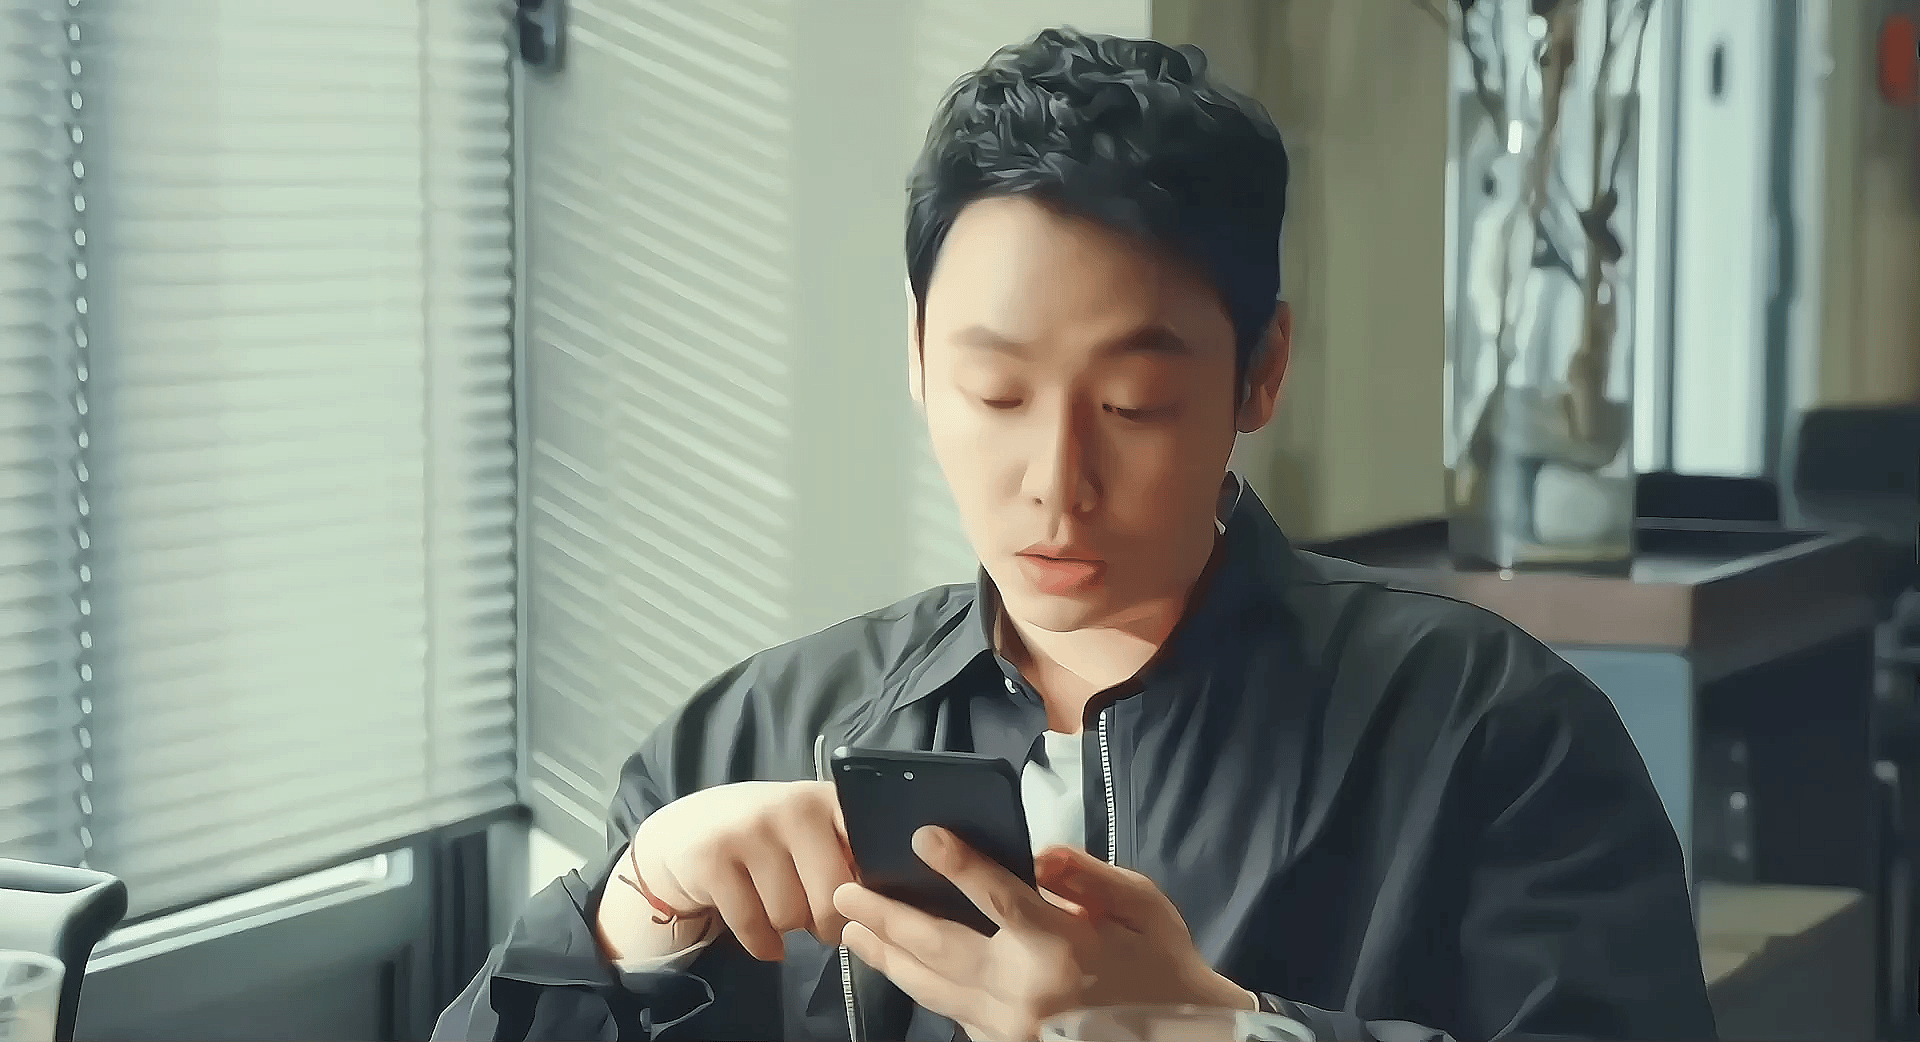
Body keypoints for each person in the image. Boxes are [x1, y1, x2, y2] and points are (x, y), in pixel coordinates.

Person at [436, 26, 1716, 1042]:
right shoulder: (750, 738)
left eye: (1134, 404)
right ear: (916, 353)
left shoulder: (1486, 734)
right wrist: (635, 913)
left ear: (1261, 371)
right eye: (996, 393)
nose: (1055, 485)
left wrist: (1210, 1033)